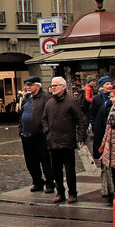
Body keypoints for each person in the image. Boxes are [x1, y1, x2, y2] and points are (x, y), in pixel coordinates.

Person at [42, 76, 85, 204]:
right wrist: (47, 132)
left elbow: (81, 120)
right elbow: (44, 119)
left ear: (63, 86)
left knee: (70, 170)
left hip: (67, 141)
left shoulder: (72, 101)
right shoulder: (50, 102)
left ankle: (72, 193)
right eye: (52, 86)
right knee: (56, 170)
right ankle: (60, 192)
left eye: (55, 86)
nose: (53, 88)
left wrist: (81, 137)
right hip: (53, 142)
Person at [17, 77, 54, 193]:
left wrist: (45, 131)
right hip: (26, 136)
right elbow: (21, 115)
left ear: (37, 86)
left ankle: (49, 183)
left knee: (45, 160)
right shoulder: (27, 98)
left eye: (30, 85)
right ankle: (37, 182)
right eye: (26, 85)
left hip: (40, 136)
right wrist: (21, 130)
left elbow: (49, 116)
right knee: (31, 161)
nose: (27, 87)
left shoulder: (46, 98)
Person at [89, 76, 115, 163]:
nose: (110, 86)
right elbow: (93, 114)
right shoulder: (96, 99)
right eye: (107, 84)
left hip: (112, 128)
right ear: (102, 87)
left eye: (111, 84)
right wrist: (94, 126)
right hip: (100, 129)